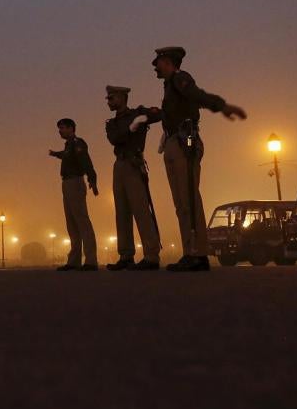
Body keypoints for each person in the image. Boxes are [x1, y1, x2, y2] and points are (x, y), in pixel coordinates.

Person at [152, 46, 247, 272]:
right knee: (180, 203)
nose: (154, 66)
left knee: (189, 198)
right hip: (173, 141)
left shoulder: (180, 79)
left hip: (185, 142)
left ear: (168, 62)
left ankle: (198, 254)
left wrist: (221, 106)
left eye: (158, 62)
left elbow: (197, 95)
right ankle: (189, 253)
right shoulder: (169, 87)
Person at [103, 85, 163, 271]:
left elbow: (158, 115)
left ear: (122, 97)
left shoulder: (138, 112)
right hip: (119, 164)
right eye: (108, 98)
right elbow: (115, 138)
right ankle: (126, 255)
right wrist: (133, 126)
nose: (109, 102)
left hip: (133, 163)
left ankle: (151, 255)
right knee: (121, 212)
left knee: (141, 210)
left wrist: (140, 119)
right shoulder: (111, 123)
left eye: (112, 98)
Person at [50, 118, 100, 271]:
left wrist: (92, 179)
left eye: (63, 128)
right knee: (71, 223)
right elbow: (66, 155)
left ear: (72, 128)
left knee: (82, 221)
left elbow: (86, 161)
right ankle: (74, 261)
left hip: (75, 182)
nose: (60, 131)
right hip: (67, 183)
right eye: (59, 128)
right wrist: (54, 154)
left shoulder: (78, 143)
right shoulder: (69, 145)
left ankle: (91, 260)